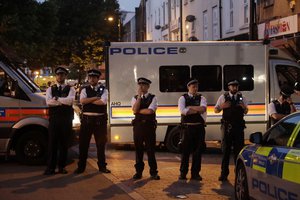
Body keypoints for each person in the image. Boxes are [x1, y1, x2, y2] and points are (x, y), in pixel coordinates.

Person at [74, 69, 111, 174]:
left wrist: (89, 100)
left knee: (101, 145)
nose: (92, 79)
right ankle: (81, 167)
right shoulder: (84, 89)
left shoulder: (104, 90)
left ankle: (102, 167)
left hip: (100, 121)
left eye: (94, 77)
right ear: (88, 78)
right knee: (83, 145)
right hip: (87, 120)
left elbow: (103, 102)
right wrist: (95, 98)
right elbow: (82, 101)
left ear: (98, 79)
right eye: (90, 77)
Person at [214, 80, 248, 182]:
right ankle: (224, 174)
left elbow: (246, 111)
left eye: (236, 86)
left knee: (238, 152)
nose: (234, 88)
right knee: (226, 151)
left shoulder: (242, 97)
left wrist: (243, 107)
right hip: (227, 127)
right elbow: (215, 110)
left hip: (238, 127)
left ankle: (238, 174)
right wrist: (222, 106)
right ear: (229, 87)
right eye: (232, 86)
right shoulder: (223, 97)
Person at [44, 66, 75, 175]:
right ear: (56, 76)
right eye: (58, 74)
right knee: (52, 144)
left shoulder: (71, 88)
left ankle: (62, 167)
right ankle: (50, 168)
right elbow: (48, 102)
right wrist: (63, 101)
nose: (60, 76)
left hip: (66, 120)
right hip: (54, 120)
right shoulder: (50, 89)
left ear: (65, 76)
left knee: (64, 144)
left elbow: (70, 101)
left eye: (62, 74)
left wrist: (57, 99)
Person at [178, 79, 207, 181]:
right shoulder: (182, 98)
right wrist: (196, 110)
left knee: (198, 152)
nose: (195, 88)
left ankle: (195, 174)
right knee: (185, 152)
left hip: (199, 128)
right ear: (188, 87)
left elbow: (203, 109)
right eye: (193, 86)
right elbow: (183, 111)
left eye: (196, 86)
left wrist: (190, 107)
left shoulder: (202, 97)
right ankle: (183, 173)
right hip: (187, 128)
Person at [131, 77, 160, 180]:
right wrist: (139, 97)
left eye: (143, 85)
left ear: (148, 86)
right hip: (138, 127)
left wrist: (138, 110)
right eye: (140, 85)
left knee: (150, 151)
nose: (141, 87)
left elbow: (150, 111)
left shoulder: (153, 98)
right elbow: (134, 110)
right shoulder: (135, 98)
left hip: (149, 127)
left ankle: (153, 172)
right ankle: (138, 172)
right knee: (138, 151)